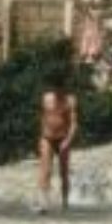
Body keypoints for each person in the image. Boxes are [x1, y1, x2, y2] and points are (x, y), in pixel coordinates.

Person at [37, 75, 79, 212]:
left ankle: (65, 202)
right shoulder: (46, 98)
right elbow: (43, 117)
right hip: (47, 137)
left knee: (64, 172)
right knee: (45, 170)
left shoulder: (70, 100)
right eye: (55, 89)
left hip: (63, 138)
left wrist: (68, 141)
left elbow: (73, 124)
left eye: (60, 89)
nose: (57, 92)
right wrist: (43, 131)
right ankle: (44, 202)